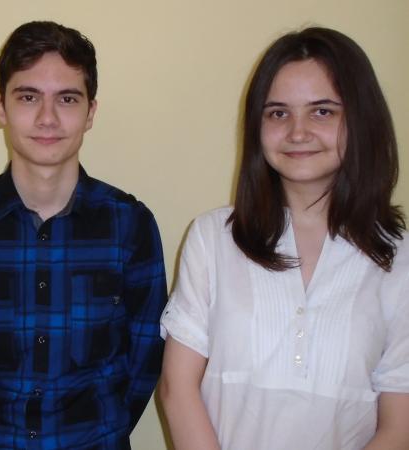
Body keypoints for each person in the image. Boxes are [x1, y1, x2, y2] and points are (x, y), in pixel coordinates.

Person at [159, 27, 409, 450]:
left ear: (361, 119)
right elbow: (176, 388)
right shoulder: (213, 238)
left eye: (322, 111)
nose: (297, 132)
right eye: (278, 113)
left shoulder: (399, 257)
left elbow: (400, 425)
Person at [0, 21, 167, 449]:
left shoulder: (130, 224)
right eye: (28, 97)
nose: (47, 118)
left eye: (67, 99)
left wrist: (101, 429)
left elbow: (145, 354)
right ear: (1, 108)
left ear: (90, 112)